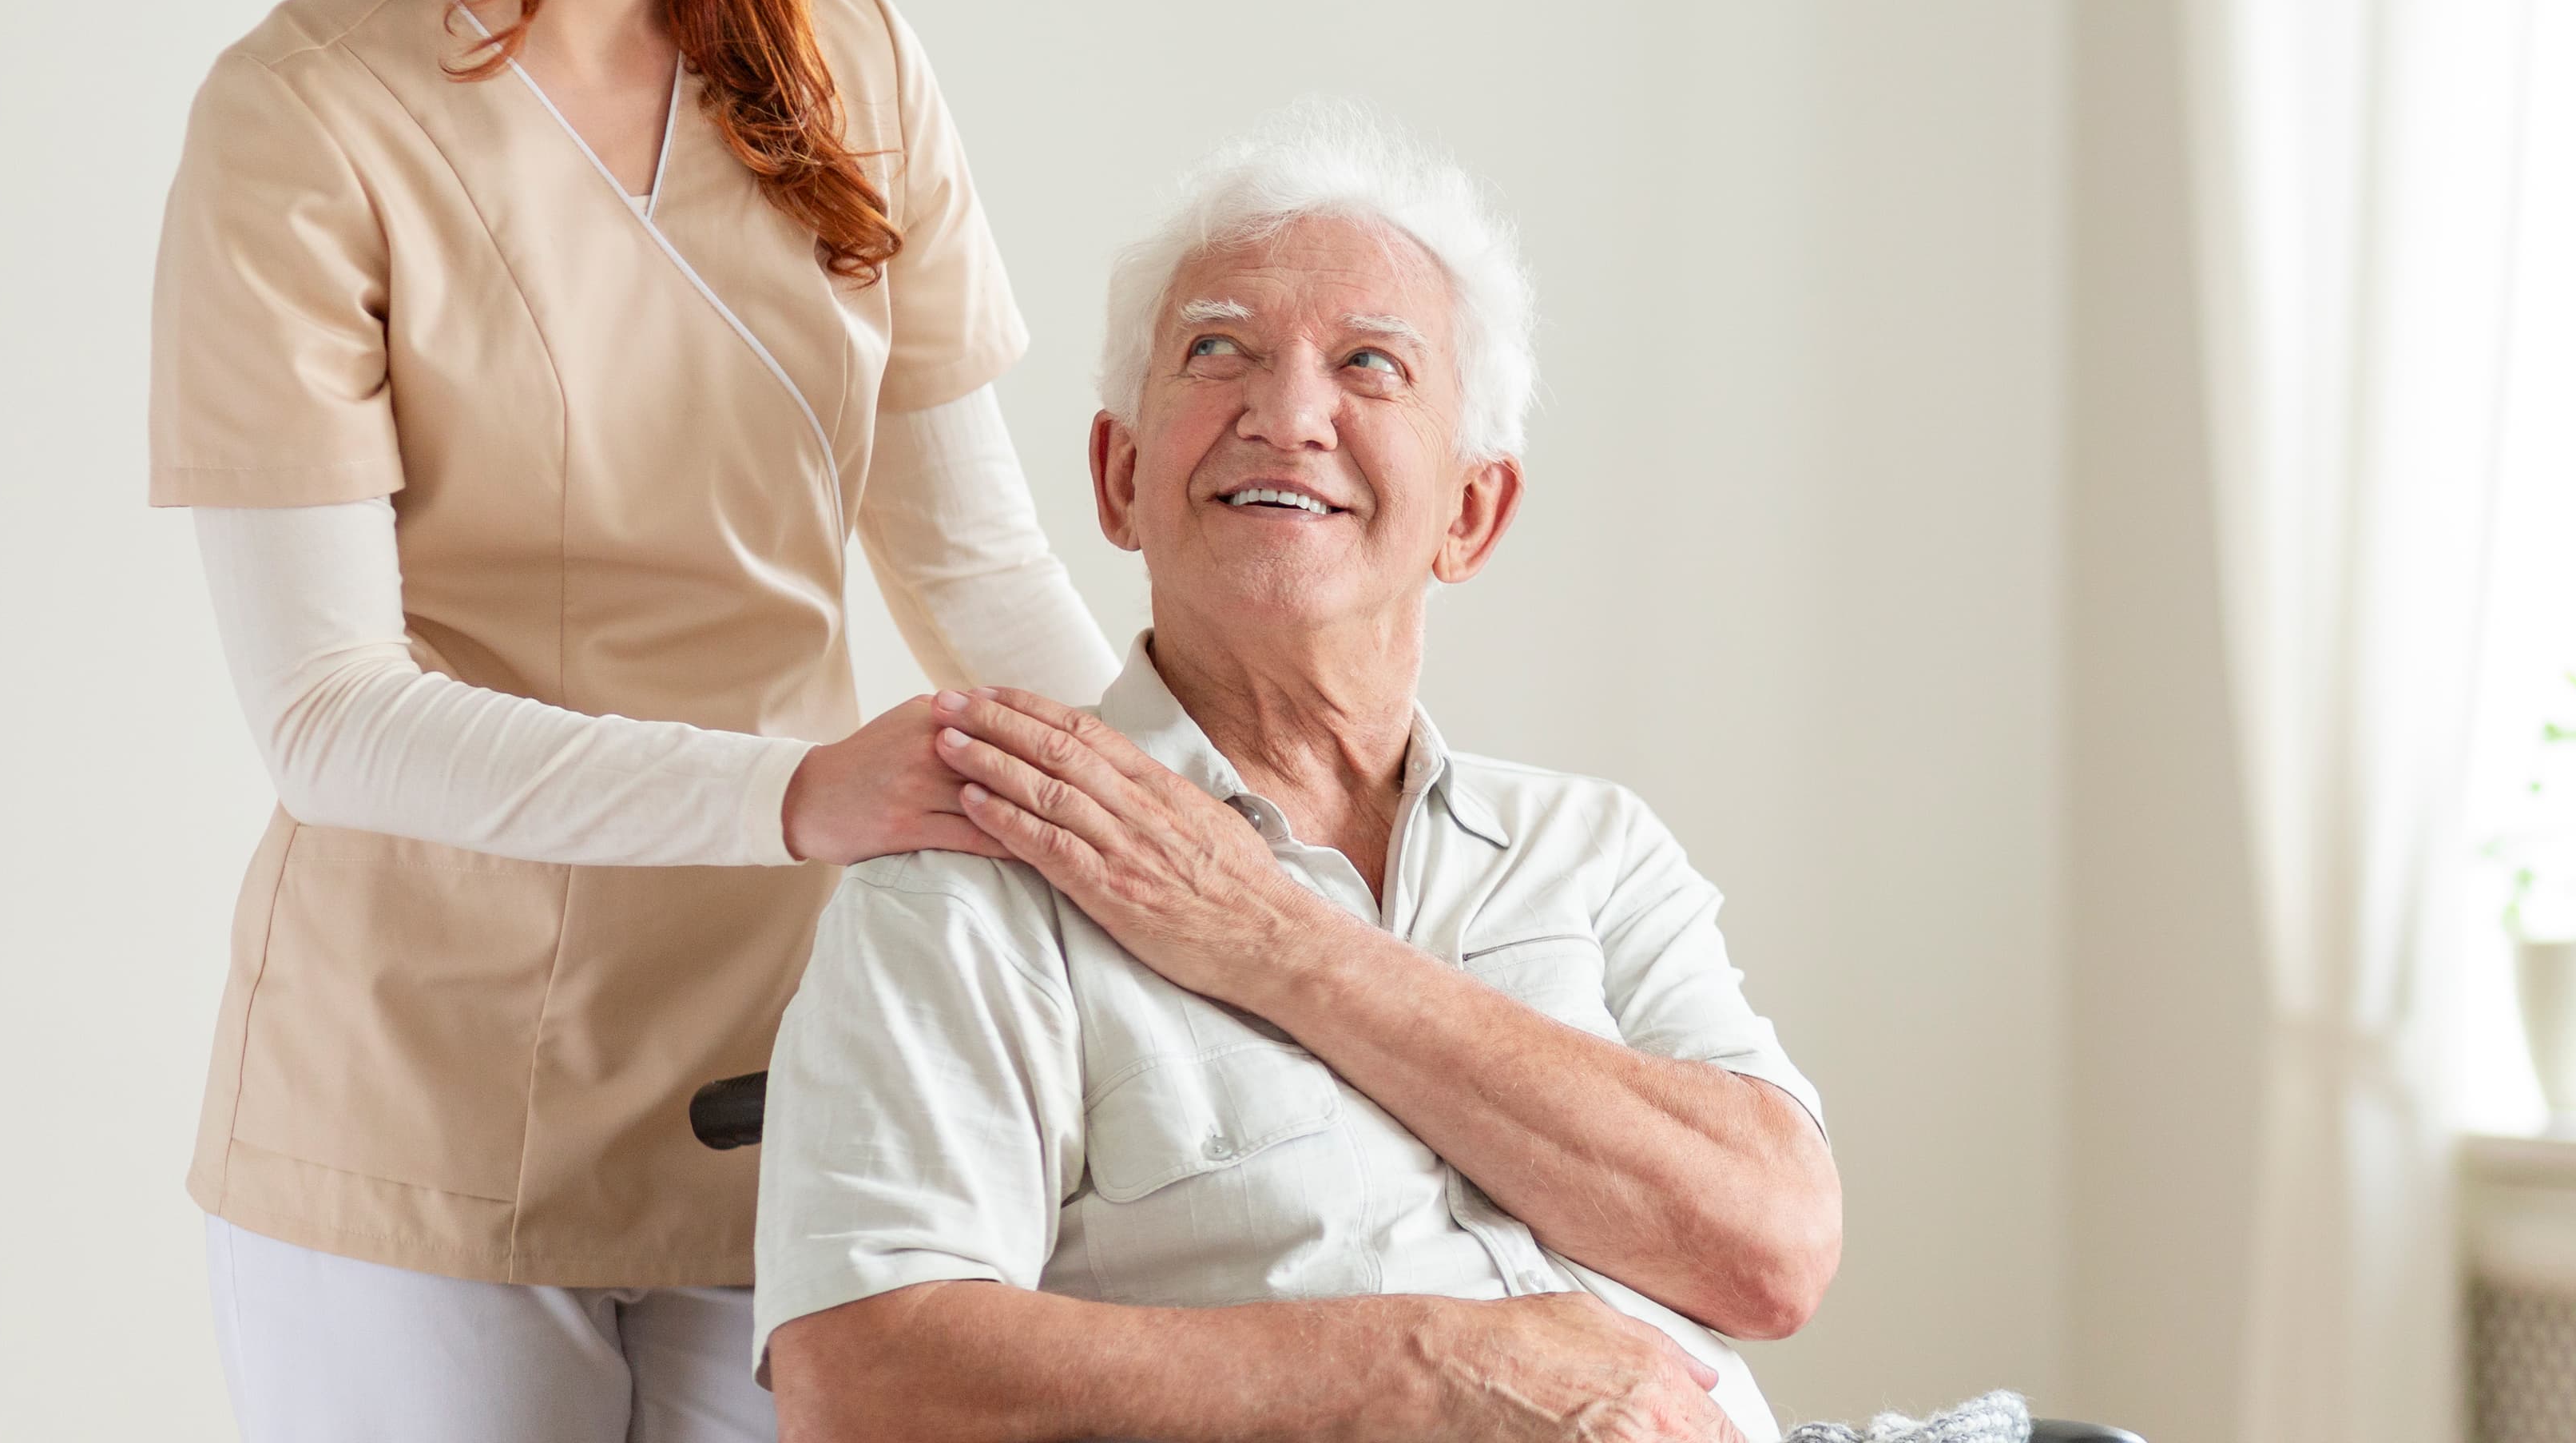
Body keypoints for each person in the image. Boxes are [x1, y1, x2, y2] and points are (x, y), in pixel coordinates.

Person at [149, 0, 1115, 1441]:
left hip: (791, 1074)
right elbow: (326, 713)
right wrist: (804, 793)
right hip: (417, 1108)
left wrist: (1228, 842)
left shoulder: (845, 61)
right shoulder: (308, 119)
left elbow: (979, 570)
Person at [752, 110, 1844, 1443]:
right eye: (1219, 351)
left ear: (1471, 513)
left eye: (1370, 364)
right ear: (1119, 476)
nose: (1286, 416)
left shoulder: (1596, 850)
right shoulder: (978, 872)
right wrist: (1420, 1370)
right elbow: (859, 1377)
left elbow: (1774, 1252)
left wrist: (1282, 945)